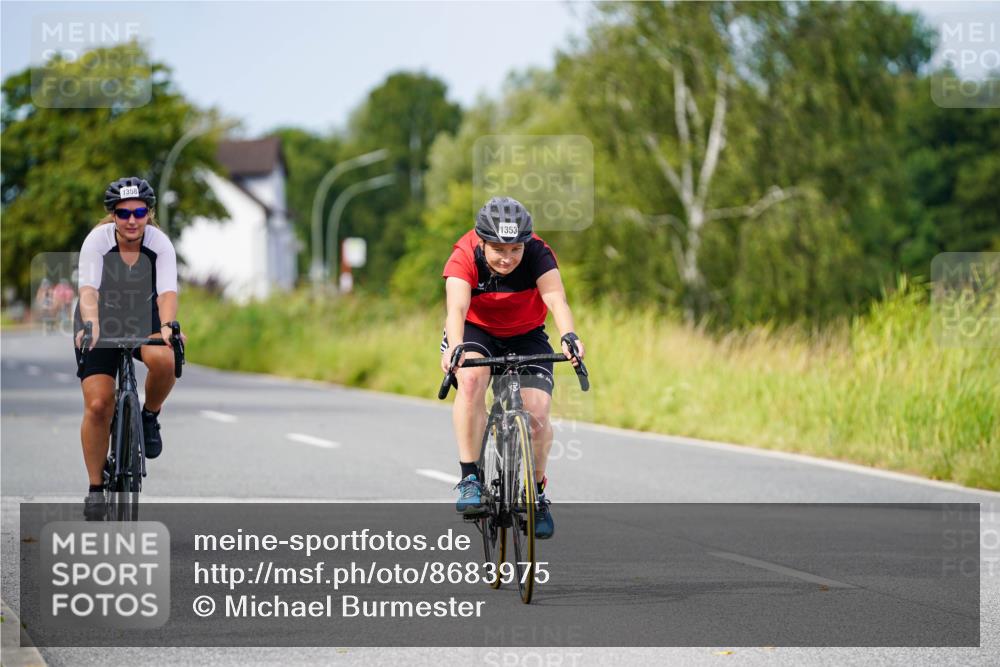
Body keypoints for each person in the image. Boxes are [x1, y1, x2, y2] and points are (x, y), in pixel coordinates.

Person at [440, 196, 585, 539]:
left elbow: (555, 300)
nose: (507, 259)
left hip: (526, 334)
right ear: (482, 241)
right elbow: (456, 309)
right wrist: (456, 347)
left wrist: (570, 336)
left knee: (537, 410)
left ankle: (536, 493)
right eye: (498, 250)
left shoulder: (538, 252)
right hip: (476, 331)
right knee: (473, 380)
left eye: (515, 250)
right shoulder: (465, 254)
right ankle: (469, 478)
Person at [74, 177, 181, 515]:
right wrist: (91, 325)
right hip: (100, 314)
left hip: (142, 312)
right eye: (124, 213)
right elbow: (88, 291)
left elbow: (166, 292)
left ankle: (149, 416)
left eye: (139, 212)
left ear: (148, 213)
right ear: (113, 216)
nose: (132, 220)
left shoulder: (159, 243)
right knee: (98, 404)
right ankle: (95, 487)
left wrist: (166, 327)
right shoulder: (98, 241)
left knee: (165, 359)